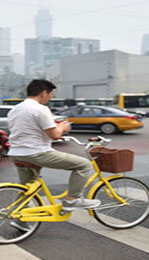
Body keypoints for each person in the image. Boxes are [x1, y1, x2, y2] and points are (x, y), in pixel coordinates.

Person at [7, 80, 101, 212]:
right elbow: (55, 135)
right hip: (37, 152)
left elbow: (30, 128)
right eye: (51, 94)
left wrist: (53, 126)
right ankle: (73, 200)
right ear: (44, 93)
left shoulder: (15, 109)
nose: (51, 97)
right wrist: (62, 127)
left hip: (16, 153)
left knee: (27, 187)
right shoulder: (40, 109)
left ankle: (18, 217)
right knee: (84, 165)